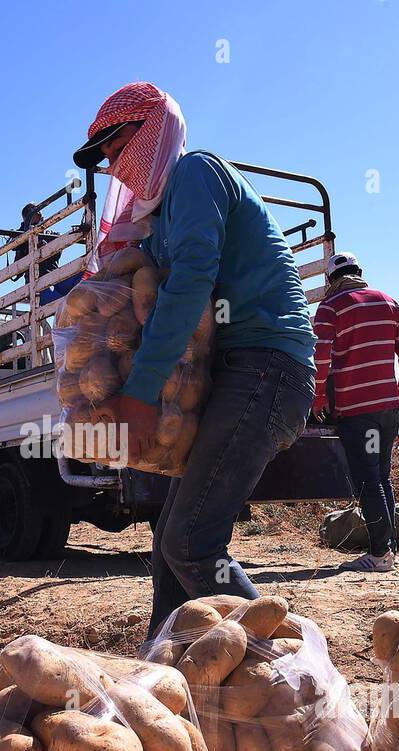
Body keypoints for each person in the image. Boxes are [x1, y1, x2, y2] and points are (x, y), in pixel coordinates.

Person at [71, 82, 318, 635]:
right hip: (240, 371)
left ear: (155, 130)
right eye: (106, 160)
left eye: (118, 149)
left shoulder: (195, 175)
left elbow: (190, 285)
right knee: (168, 544)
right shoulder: (161, 219)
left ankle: (291, 675)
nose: (115, 168)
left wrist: (139, 394)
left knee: (190, 540)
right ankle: (169, 674)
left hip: (266, 367)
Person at [310, 251, 399, 572]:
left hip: (357, 411)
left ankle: (380, 553)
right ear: (360, 272)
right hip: (389, 407)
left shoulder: (330, 308)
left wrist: (317, 397)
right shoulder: (389, 302)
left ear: (330, 280)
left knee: (368, 480)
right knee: (382, 476)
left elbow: (320, 357)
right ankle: (388, 549)